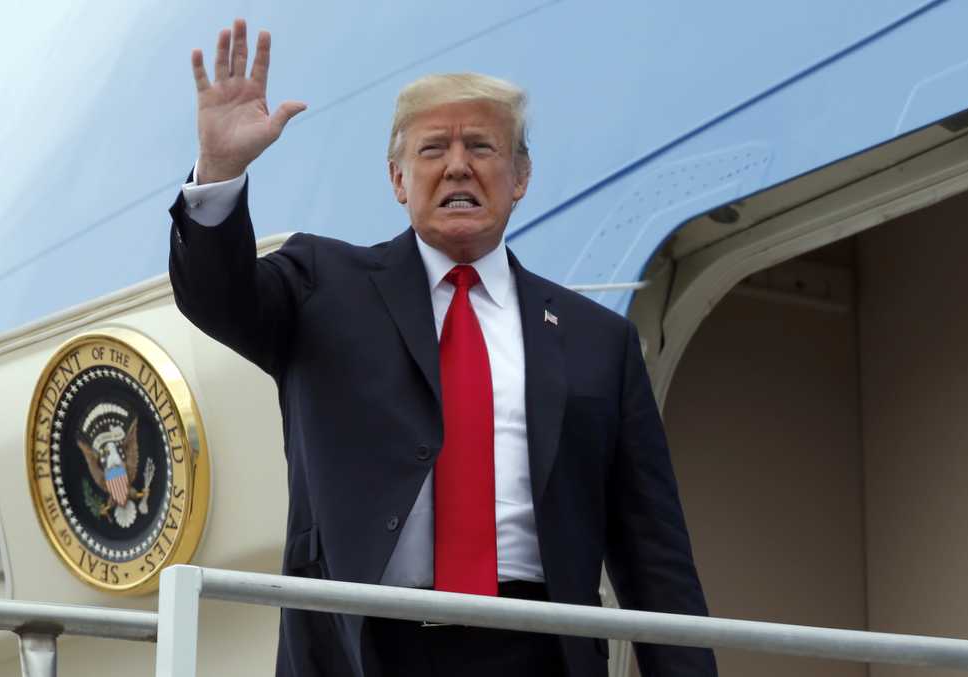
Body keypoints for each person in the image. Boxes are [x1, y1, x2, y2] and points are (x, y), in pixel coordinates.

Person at [168, 18, 718, 677]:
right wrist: (221, 172)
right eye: (433, 149)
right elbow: (215, 296)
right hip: (370, 651)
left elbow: (655, 559)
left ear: (520, 176)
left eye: (481, 146)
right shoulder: (323, 285)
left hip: (539, 650)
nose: (458, 164)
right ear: (398, 179)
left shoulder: (600, 342)